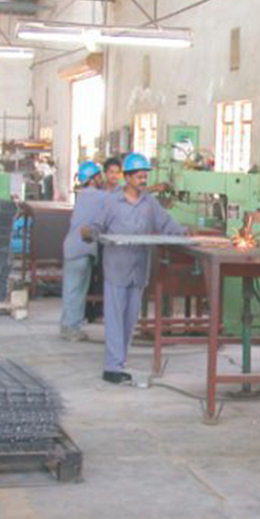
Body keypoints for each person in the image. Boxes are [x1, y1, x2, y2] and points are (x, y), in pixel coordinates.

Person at [81, 153, 186, 384]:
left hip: (138, 269)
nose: (143, 180)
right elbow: (98, 225)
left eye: (145, 176)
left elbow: (165, 223)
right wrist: (91, 232)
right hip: (116, 267)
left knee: (129, 320)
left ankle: (120, 362)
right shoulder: (111, 202)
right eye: (139, 176)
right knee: (114, 318)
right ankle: (111, 367)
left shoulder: (150, 203)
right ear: (127, 178)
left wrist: (183, 233)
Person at [58, 160, 116, 341]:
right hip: (80, 248)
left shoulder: (85, 195)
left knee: (75, 289)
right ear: (92, 179)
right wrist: (153, 189)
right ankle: (70, 328)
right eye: (99, 176)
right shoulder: (93, 195)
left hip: (78, 248)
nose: (102, 179)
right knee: (75, 290)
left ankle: (68, 325)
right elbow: (120, 197)